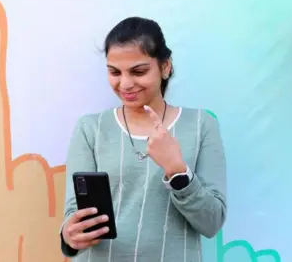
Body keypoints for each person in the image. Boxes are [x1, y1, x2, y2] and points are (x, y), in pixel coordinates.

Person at [59, 16, 227, 262]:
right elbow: (74, 216)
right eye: (114, 72)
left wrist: (177, 170)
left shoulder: (201, 125)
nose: (125, 84)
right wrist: (69, 237)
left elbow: (211, 222)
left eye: (138, 71)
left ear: (165, 66)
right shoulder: (90, 129)